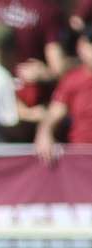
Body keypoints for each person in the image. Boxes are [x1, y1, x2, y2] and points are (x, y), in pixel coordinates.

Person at [36, 28, 92, 162]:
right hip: (80, 158)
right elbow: (55, 113)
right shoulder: (72, 79)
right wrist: (44, 134)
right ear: (81, 46)